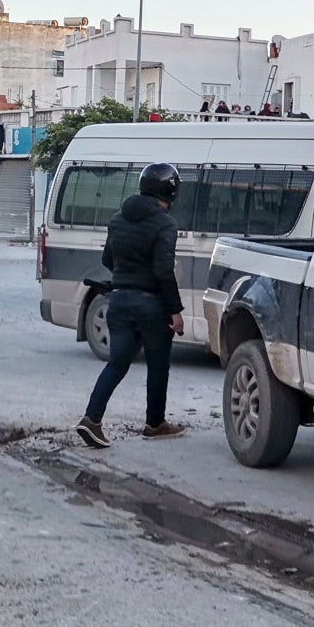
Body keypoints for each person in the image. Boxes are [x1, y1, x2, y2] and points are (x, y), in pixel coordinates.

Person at [77, 163, 187, 448]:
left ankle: (91, 420)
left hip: (119, 300)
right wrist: (175, 311)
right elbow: (164, 271)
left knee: (117, 364)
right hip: (151, 305)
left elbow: (107, 260)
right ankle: (155, 423)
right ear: (171, 192)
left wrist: (127, 275)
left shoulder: (118, 219)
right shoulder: (165, 224)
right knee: (158, 364)